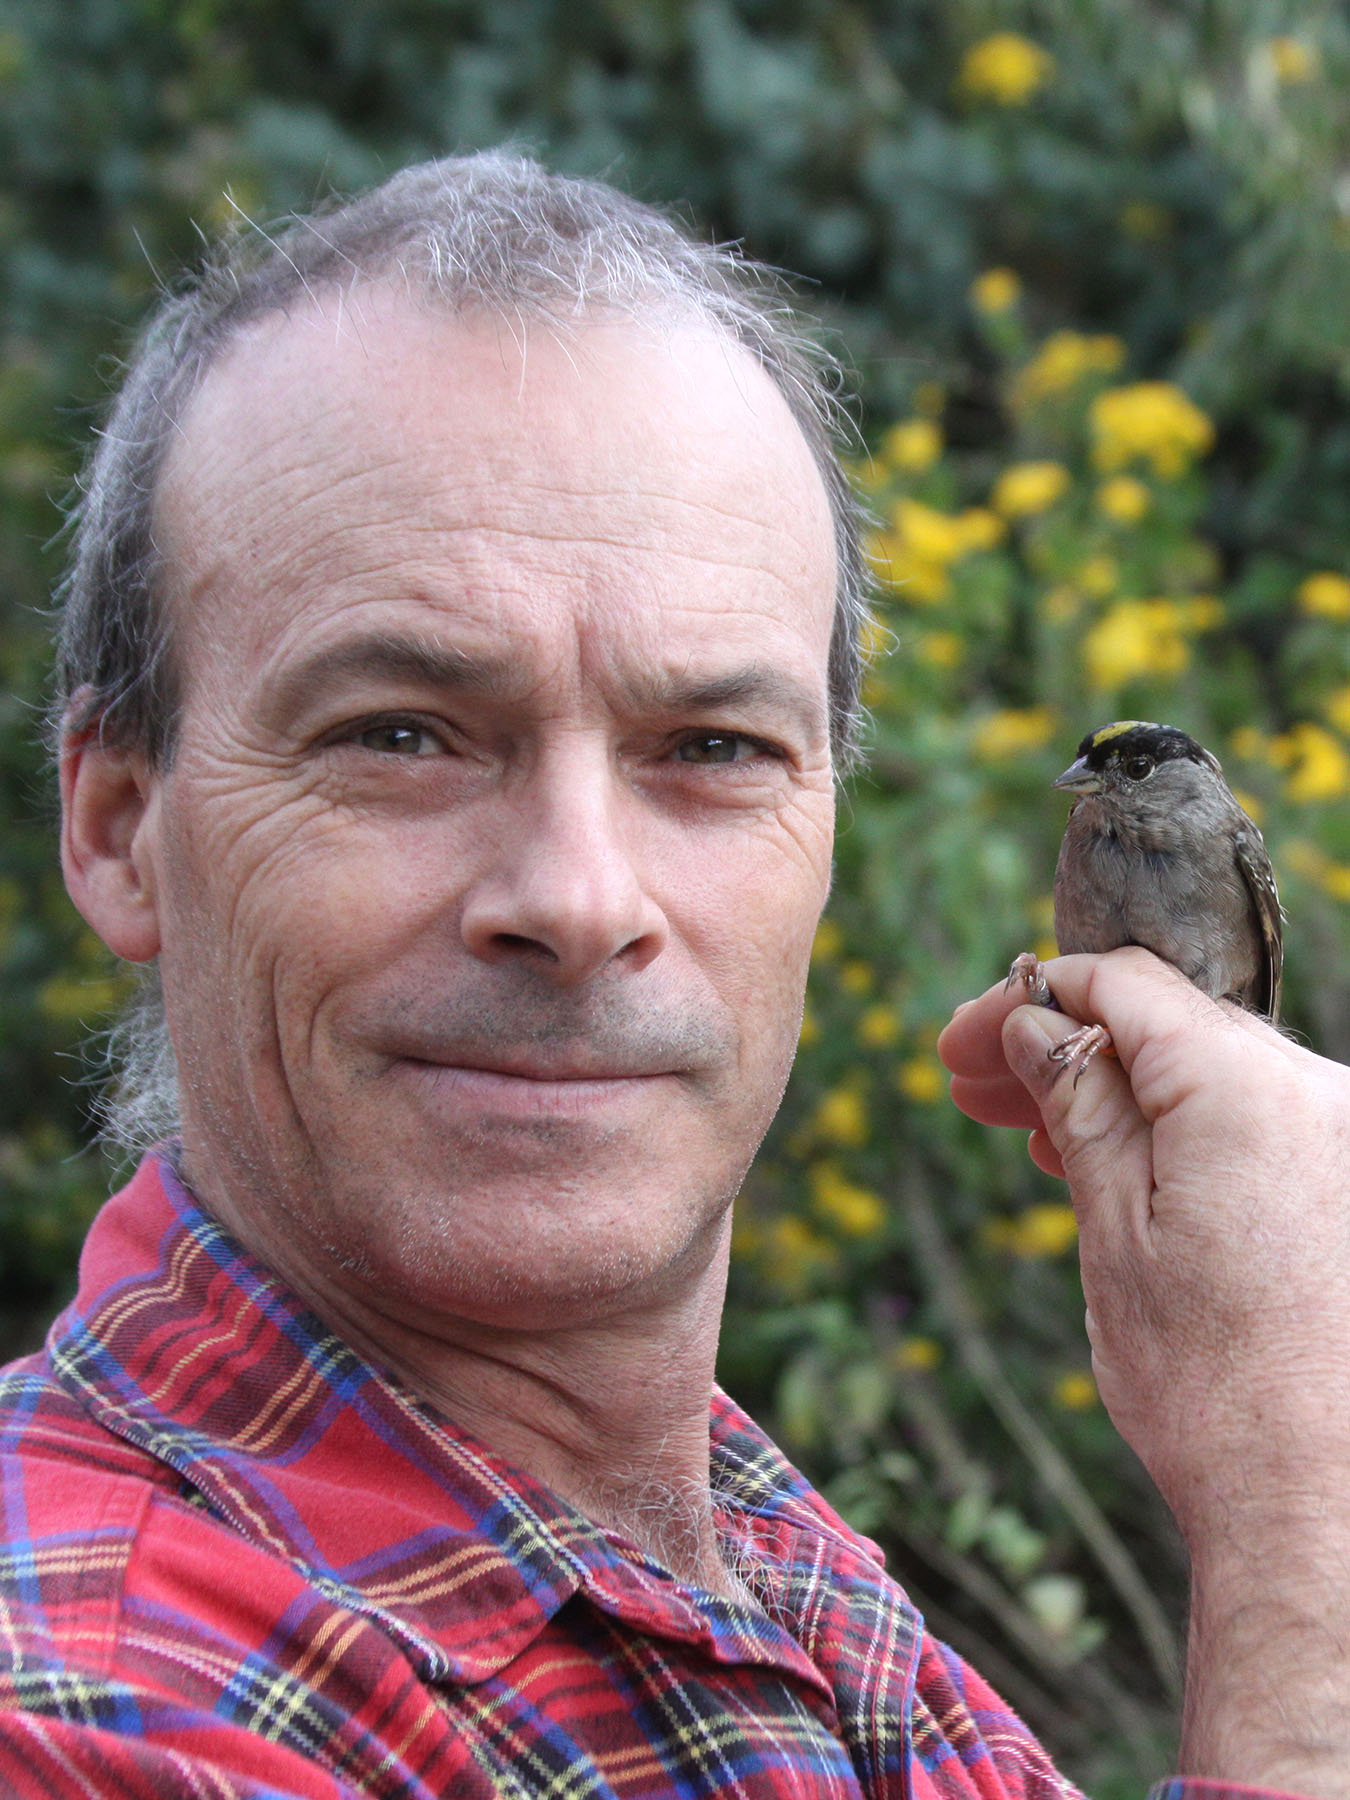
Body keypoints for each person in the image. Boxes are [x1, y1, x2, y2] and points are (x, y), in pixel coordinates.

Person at [6, 148, 1347, 1798]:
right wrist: (1303, 1515)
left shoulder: (795, 1594)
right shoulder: (85, 1694)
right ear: (120, 830)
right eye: (401, 733)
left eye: (710, 745)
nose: (580, 899)